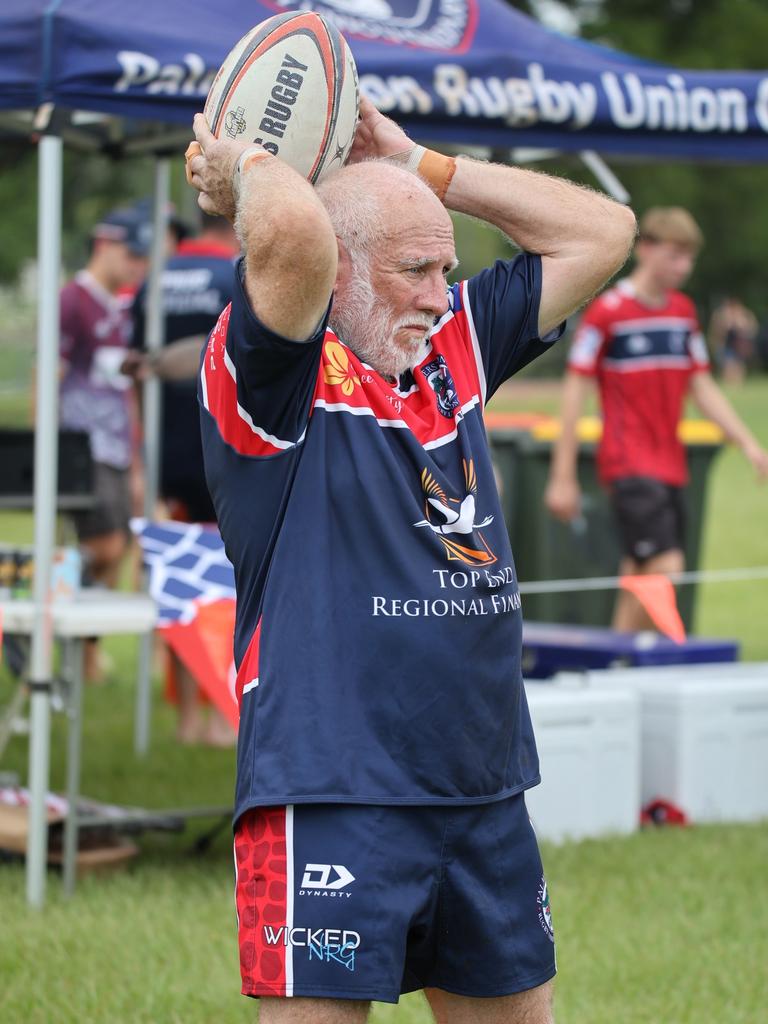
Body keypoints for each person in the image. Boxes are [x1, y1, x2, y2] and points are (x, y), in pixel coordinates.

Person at [185, 97, 636, 1024]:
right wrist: (247, 172)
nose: (441, 294)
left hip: (481, 786)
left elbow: (604, 231)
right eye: (414, 270)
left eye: (448, 269)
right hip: (329, 787)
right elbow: (300, 235)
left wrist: (418, 162)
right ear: (342, 274)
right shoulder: (275, 376)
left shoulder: (453, 352)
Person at [545, 207, 768, 633]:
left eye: (689, 257)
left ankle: (615, 666)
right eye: (674, 254)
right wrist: (562, 475)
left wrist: (748, 443)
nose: (683, 267)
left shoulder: (683, 314)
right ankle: (650, 656)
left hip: (671, 465)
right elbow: (575, 392)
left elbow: (702, 387)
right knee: (667, 567)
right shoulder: (609, 313)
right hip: (629, 464)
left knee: (641, 574)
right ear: (644, 249)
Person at [125, 211, 239, 745]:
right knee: (233, 587)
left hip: (166, 451)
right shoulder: (241, 275)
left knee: (181, 581)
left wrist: (140, 457)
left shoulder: (158, 276)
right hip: (227, 450)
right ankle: (221, 717)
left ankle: (189, 719)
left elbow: (134, 367)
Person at [58, 206, 150, 679]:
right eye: (133, 254)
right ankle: (42, 585)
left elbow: (125, 390)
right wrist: (47, 446)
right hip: (80, 447)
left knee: (121, 548)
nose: (139, 265)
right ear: (106, 246)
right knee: (108, 546)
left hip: (116, 449)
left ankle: (85, 652)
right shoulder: (72, 301)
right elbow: (48, 374)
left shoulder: (122, 308)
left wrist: (136, 459)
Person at [707, 295, 758, 385]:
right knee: (728, 366)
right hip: (725, 345)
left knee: (739, 366)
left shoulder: (744, 315)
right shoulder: (720, 315)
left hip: (739, 346)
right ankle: (730, 385)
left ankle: (737, 385)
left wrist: (740, 325)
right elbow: (717, 332)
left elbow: (752, 329)